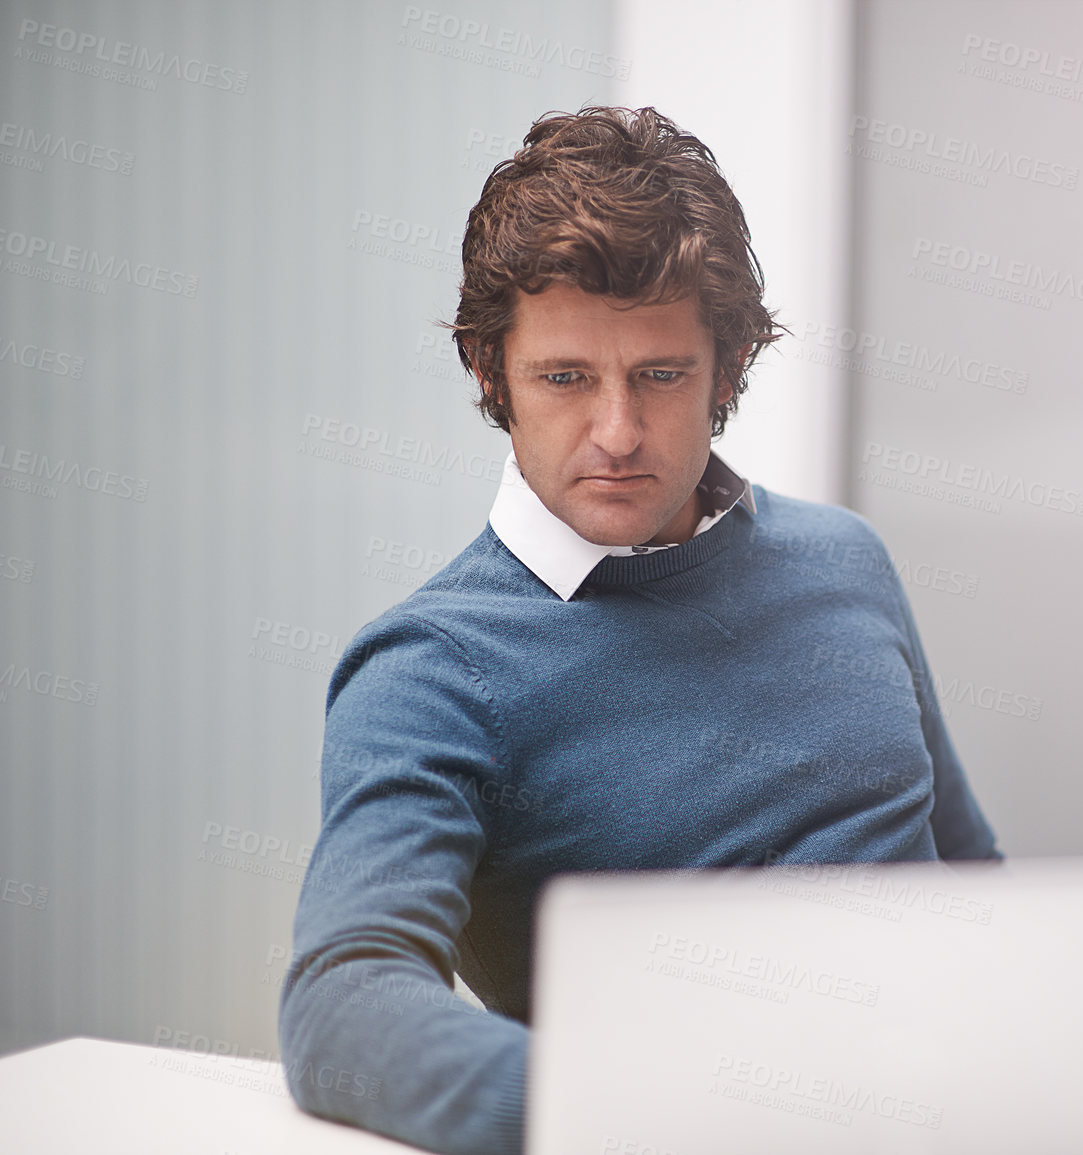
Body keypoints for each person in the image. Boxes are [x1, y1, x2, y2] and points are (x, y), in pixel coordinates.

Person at [277, 105, 1002, 1155]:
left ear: (730, 362)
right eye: (566, 378)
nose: (616, 434)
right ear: (489, 372)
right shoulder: (431, 671)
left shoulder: (848, 562)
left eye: (660, 376)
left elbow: (974, 885)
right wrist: (648, 1114)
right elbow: (346, 1000)